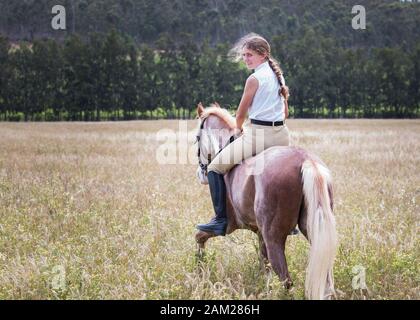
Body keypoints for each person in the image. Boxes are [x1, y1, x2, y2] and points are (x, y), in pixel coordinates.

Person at [196, 33, 292, 236]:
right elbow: (286, 112)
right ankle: (290, 222)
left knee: (214, 168)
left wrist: (238, 129)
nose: (245, 59)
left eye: (249, 55)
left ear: (263, 54)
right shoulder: (278, 76)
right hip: (283, 136)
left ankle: (220, 220)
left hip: (258, 137)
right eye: (244, 55)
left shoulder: (254, 79)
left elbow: (240, 114)